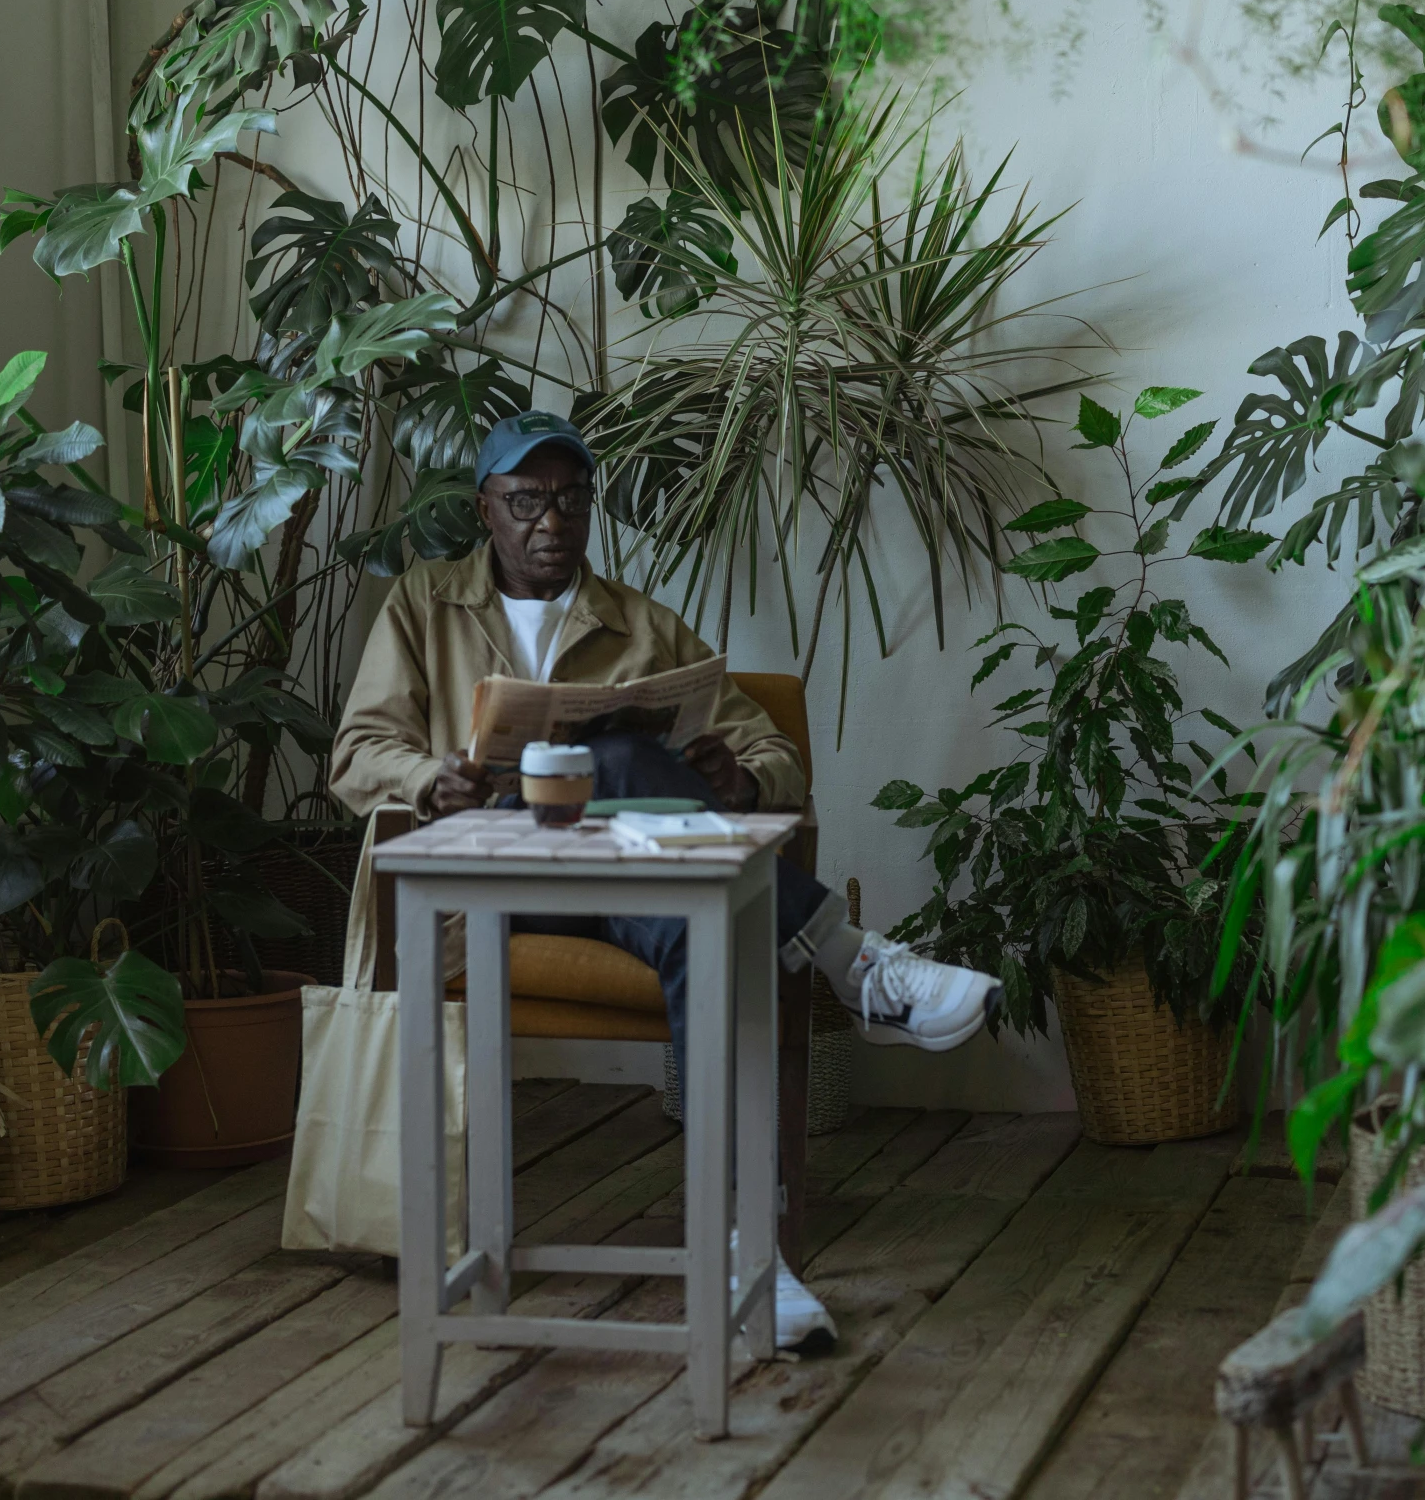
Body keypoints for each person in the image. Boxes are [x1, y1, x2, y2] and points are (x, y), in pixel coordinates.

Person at [330, 409, 1004, 1352]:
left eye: (571, 499)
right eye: (527, 500)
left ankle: (750, 1261)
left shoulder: (641, 625)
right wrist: (424, 776)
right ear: (486, 508)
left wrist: (745, 777)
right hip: (487, 882)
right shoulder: (422, 603)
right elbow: (358, 751)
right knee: (612, 763)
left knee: (709, 925)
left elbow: (767, 747)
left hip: (626, 882)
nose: (550, 522)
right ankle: (854, 962)